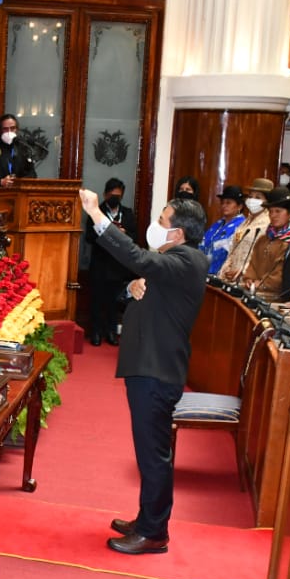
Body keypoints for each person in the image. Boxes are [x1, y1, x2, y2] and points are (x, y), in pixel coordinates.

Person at [79, 187, 209, 555]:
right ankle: (146, 519)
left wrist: (97, 216)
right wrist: (131, 288)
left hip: (158, 370)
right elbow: (142, 284)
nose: (155, 225)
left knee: (153, 455)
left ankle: (154, 533)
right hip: (148, 367)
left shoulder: (186, 260)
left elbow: (136, 256)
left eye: (161, 221)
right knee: (149, 451)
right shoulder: (173, 261)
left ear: (178, 233)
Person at [83, 177, 139, 346]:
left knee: (114, 302)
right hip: (100, 263)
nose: (115, 198)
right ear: (105, 195)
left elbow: (134, 237)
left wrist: (122, 233)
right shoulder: (96, 212)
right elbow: (89, 237)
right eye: (112, 195)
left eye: (118, 196)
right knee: (97, 300)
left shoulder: (127, 213)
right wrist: (107, 233)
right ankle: (96, 333)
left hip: (118, 266)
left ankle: (112, 332)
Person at [241, 187, 290, 301]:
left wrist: (263, 283)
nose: (273, 215)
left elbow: (280, 271)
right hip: (254, 291)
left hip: (275, 297)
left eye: (278, 211)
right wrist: (250, 279)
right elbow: (253, 263)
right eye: (270, 212)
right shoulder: (264, 238)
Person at [219, 177, 273, 281]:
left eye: (258, 197)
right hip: (230, 279)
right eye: (250, 196)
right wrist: (226, 269)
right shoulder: (245, 223)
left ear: (267, 201)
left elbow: (263, 258)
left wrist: (242, 271)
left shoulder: (268, 224)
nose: (252, 200)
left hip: (248, 279)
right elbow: (233, 249)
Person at [200, 185, 246, 276]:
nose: (224, 206)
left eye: (228, 203)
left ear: (239, 206)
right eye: (222, 202)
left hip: (222, 274)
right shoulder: (218, 224)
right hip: (204, 272)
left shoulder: (242, 226)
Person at [0, 114, 37, 187]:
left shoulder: (24, 149)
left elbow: (33, 175)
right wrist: (0, 181)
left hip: (20, 193)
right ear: (0, 130)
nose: (9, 131)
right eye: (5, 129)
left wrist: (19, 182)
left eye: (12, 128)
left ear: (17, 129)